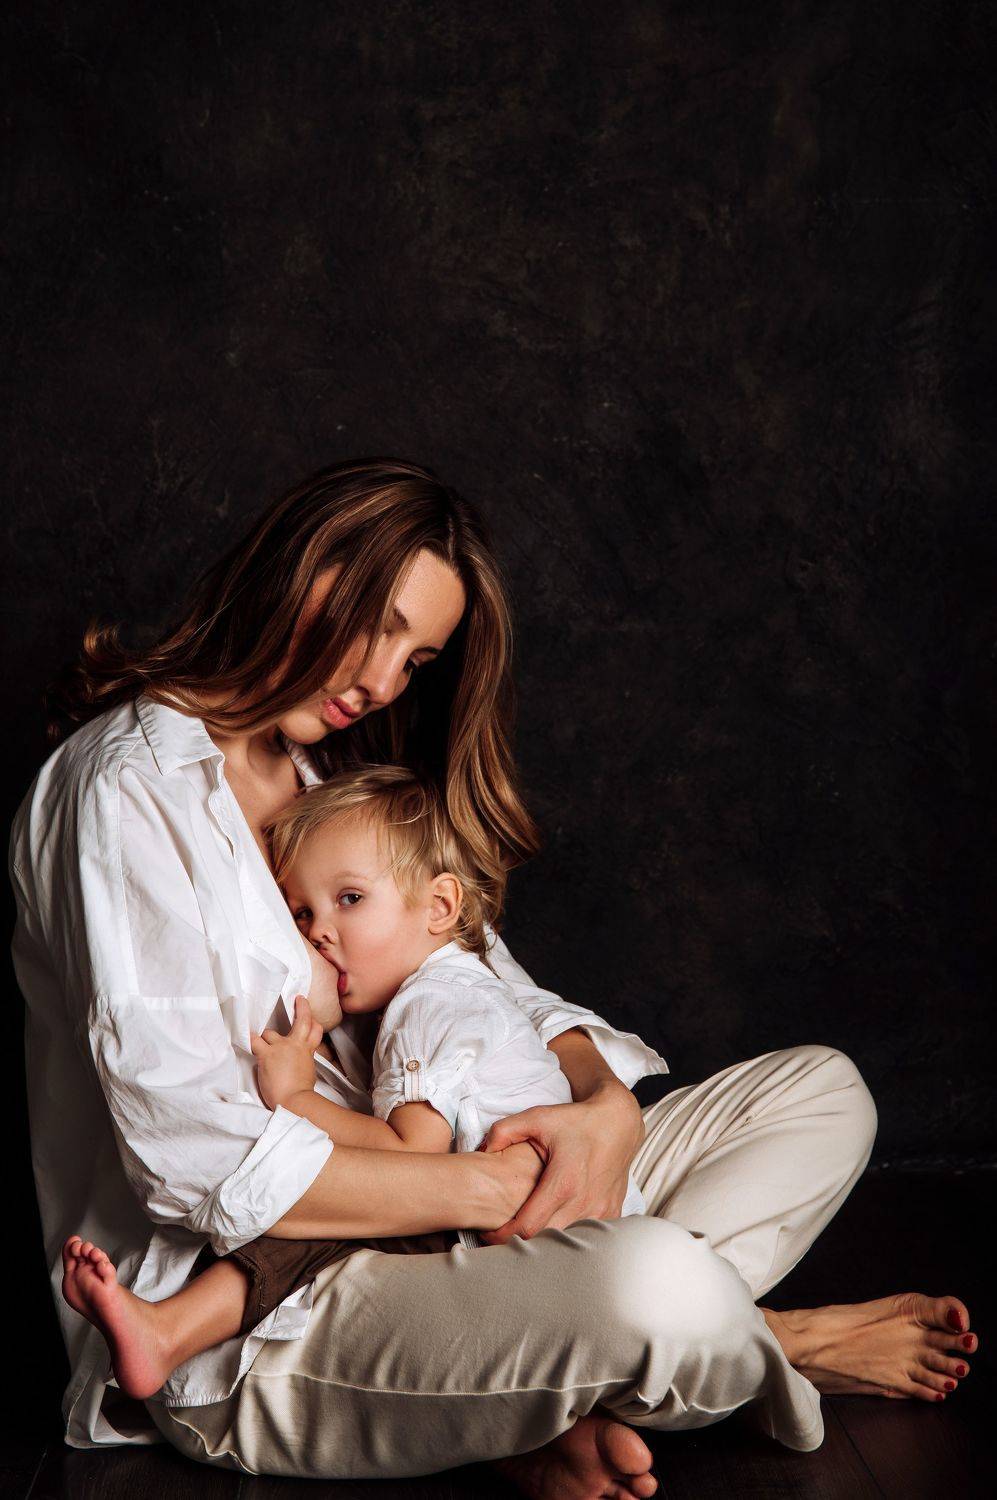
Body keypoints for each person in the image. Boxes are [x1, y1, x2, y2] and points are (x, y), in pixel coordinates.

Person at [11, 458, 977, 1498]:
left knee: (824, 1094)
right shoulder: (127, 791)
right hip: (267, 1309)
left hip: (474, 1201)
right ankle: (774, 1346)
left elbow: (478, 971)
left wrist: (604, 1111)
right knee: (661, 1283)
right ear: (300, 568)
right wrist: (488, 1188)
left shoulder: (326, 781)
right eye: (379, 627)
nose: (385, 685)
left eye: (417, 660)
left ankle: (540, 1383)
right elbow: (194, 1163)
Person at [61, 759, 651, 1396]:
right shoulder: (466, 986)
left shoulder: (427, 1006)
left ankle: (170, 1330)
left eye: (349, 899)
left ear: (440, 906)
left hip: (532, 1227)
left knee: (325, 1233)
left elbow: (414, 1153)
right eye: (301, 913)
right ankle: (580, 1427)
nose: (319, 932)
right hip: (578, 1226)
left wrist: (296, 1096)